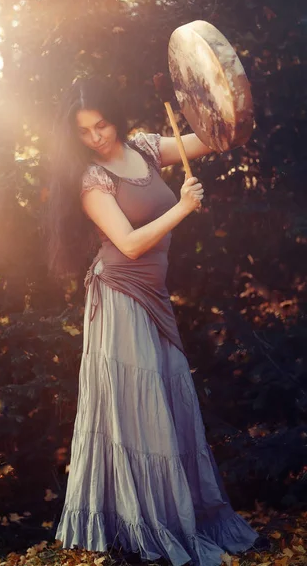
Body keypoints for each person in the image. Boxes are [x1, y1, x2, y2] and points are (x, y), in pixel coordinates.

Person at [45, 76, 258, 566]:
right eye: (84, 131)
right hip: (119, 293)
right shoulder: (92, 179)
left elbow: (214, 137)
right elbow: (131, 244)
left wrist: (212, 100)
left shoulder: (144, 147)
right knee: (135, 410)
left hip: (154, 295)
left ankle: (178, 515)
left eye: (101, 124)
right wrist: (183, 206)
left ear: (115, 116)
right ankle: (138, 528)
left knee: (163, 400)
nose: (97, 137)